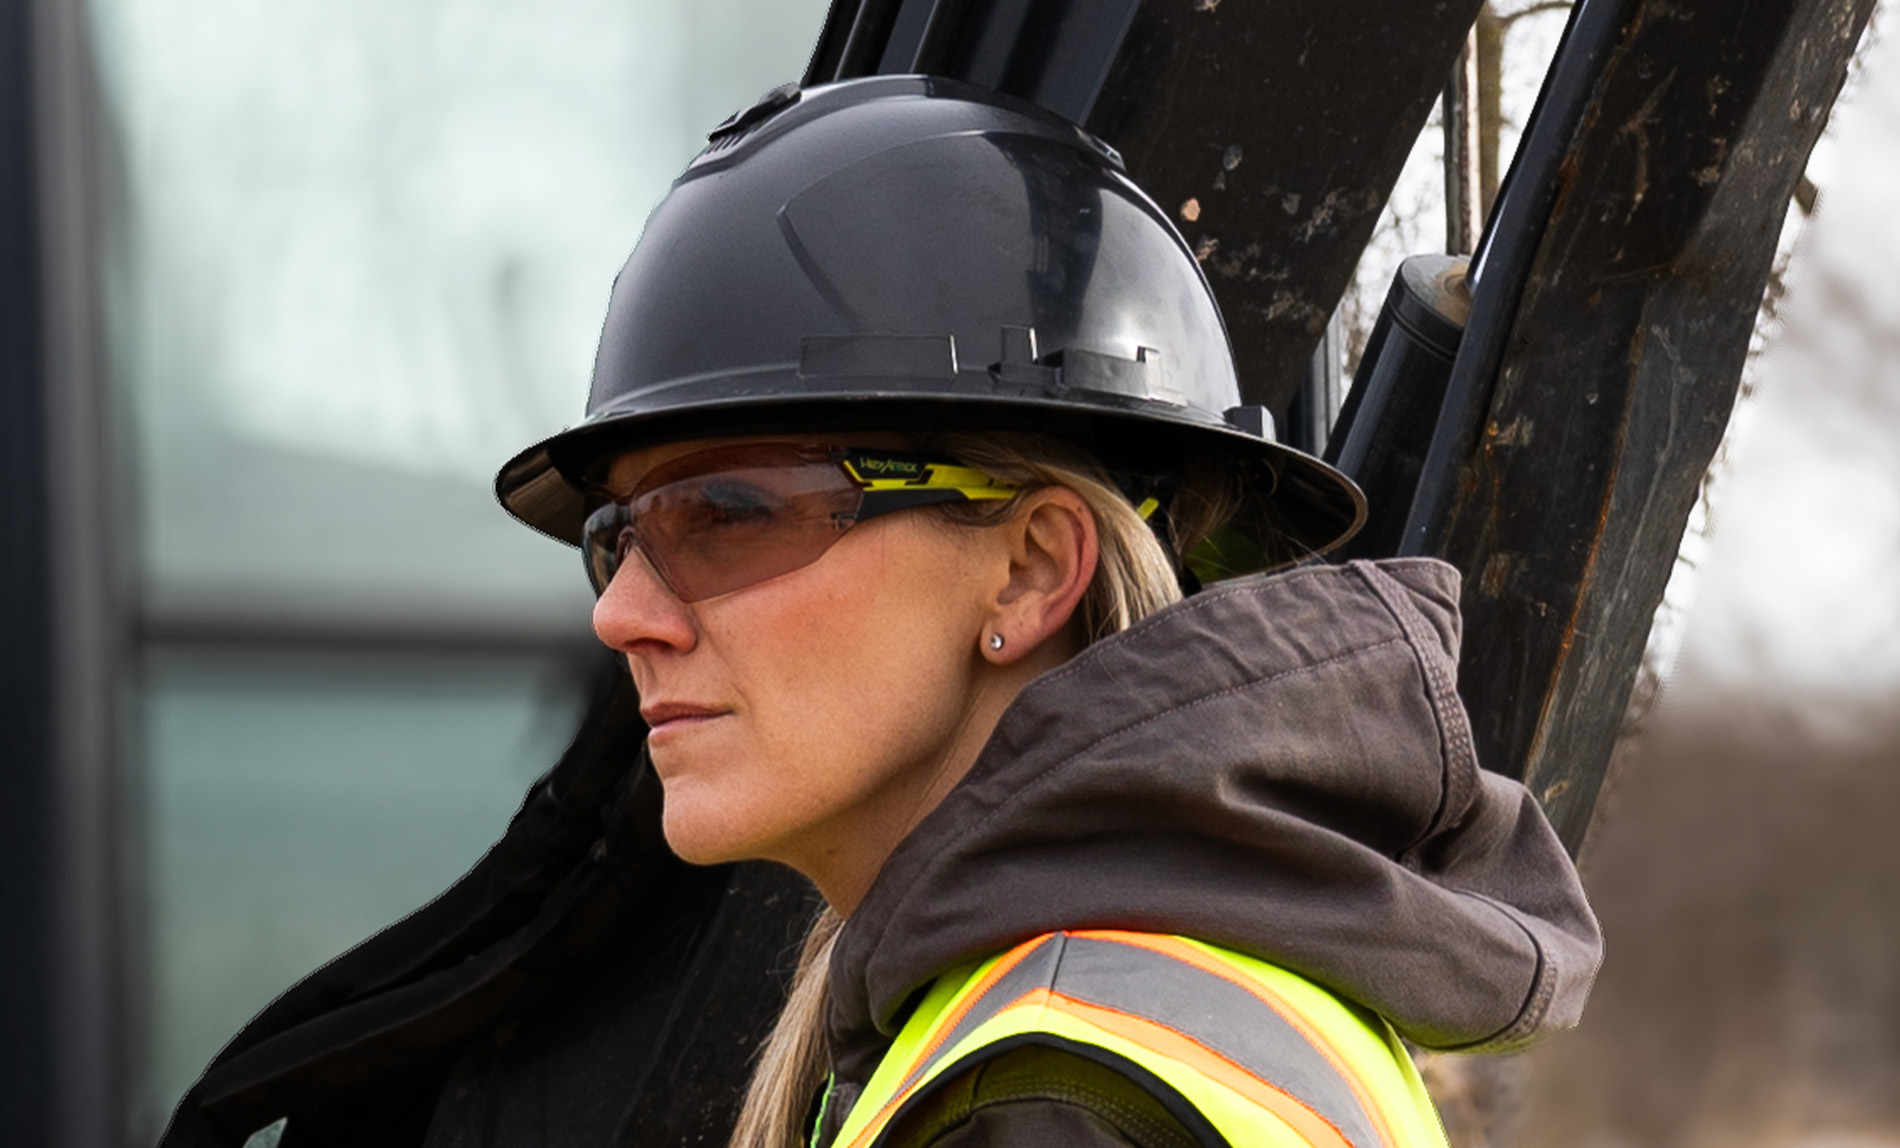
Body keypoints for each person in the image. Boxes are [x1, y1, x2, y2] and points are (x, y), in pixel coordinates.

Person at [494, 75, 1602, 1148]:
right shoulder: (1155, 1011)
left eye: (724, 514)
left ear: (1028, 570)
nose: (624, 614)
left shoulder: (1051, 1093)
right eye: (619, 539)